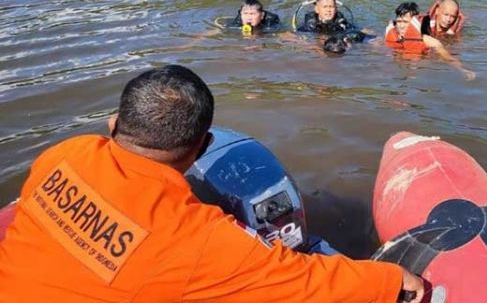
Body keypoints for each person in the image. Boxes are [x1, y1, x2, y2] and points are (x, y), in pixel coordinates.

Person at [0, 65, 425, 303]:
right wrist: (391, 280)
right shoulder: (196, 242)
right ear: (203, 147)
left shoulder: (62, 155)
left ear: (113, 123)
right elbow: (304, 281)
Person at [386, 2, 475, 80]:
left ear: (414, 22)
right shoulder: (392, 35)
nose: (401, 26)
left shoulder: (429, 41)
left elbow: (447, 56)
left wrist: (463, 70)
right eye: (399, 21)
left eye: (405, 22)